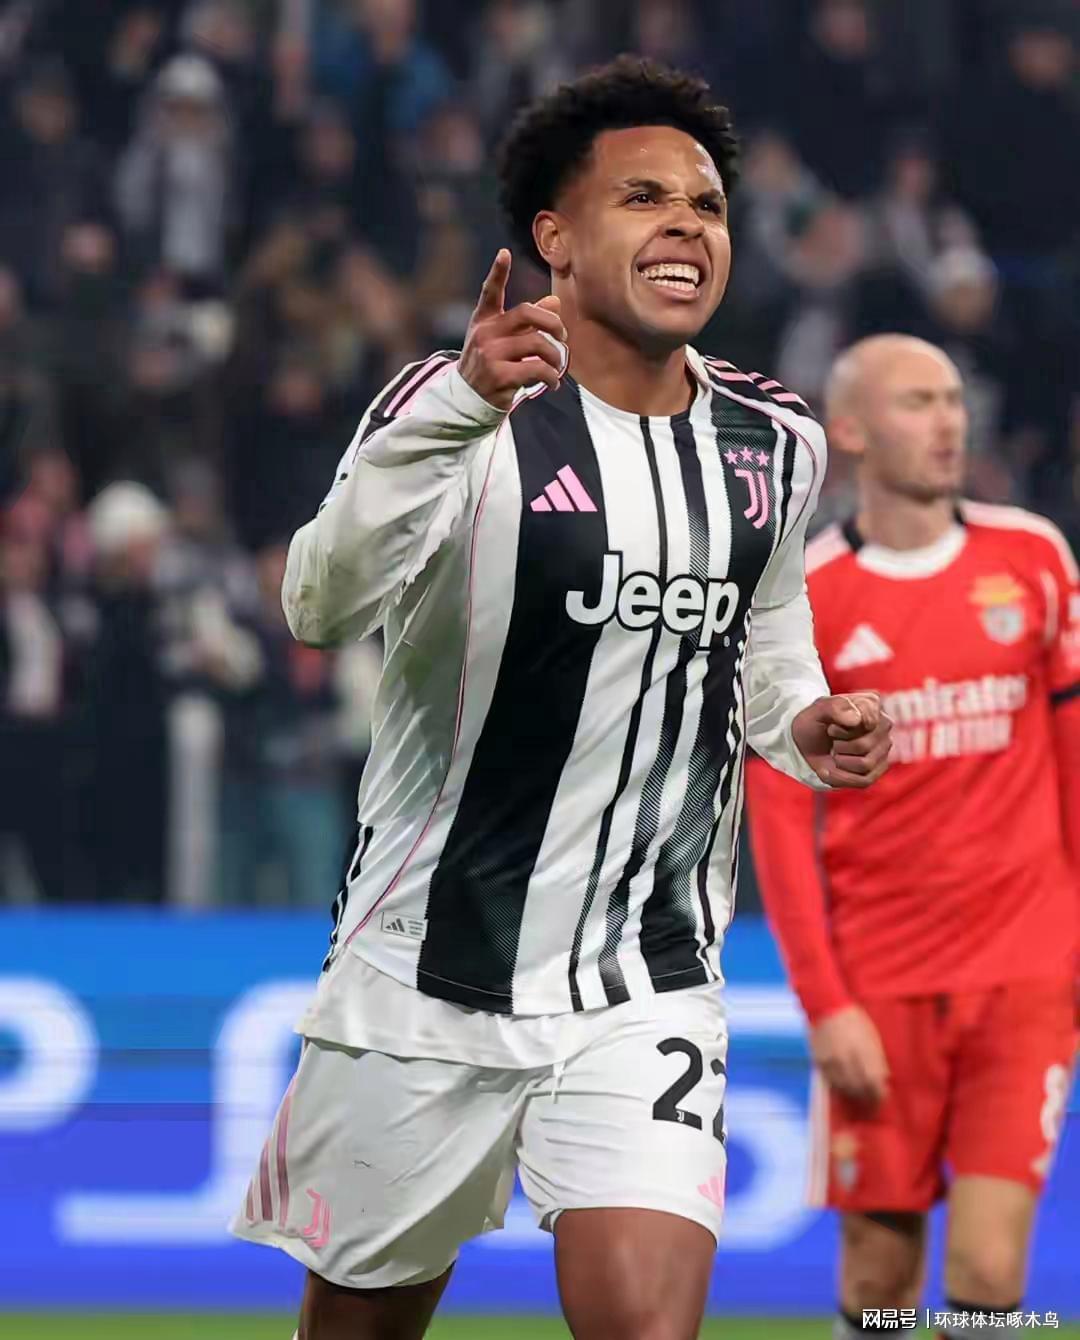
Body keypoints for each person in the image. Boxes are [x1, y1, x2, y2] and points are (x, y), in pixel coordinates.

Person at [232, 58, 892, 1340]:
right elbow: (317, 602)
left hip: (648, 973)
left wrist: (810, 722)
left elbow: (766, 641)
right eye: (643, 197)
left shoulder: (775, 441)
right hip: (426, 970)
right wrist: (459, 408)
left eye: (707, 204)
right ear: (555, 237)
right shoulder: (456, 408)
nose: (687, 224)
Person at [745, 334, 1079, 1340]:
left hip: (1024, 972)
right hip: (879, 981)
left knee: (988, 1267)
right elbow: (780, 822)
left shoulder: (1034, 559)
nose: (948, 422)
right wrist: (826, 1004)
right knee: (880, 1273)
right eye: (918, 402)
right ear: (850, 430)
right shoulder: (804, 595)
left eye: (953, 400)